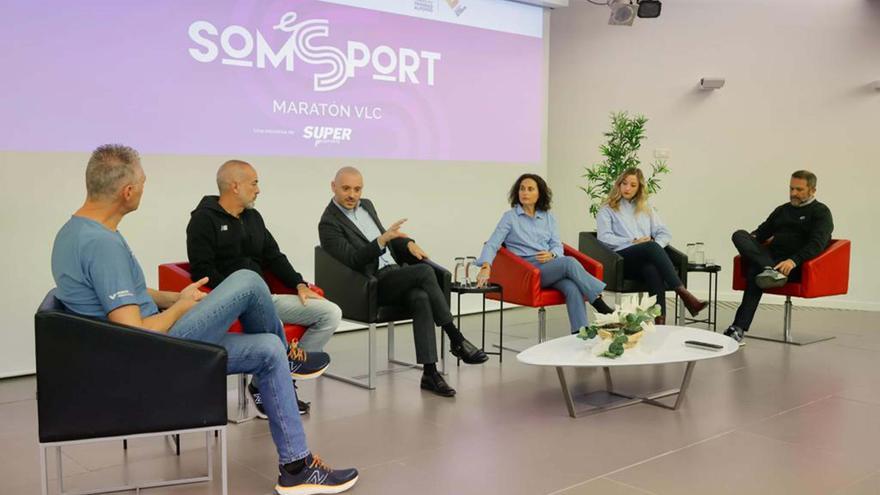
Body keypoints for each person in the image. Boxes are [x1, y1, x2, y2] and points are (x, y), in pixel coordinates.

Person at [51, 145, 357, 495]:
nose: (144, 188)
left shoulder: (78, 231)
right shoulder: (100, 244)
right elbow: (131, 330)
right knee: (248, 280)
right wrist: (180, 309)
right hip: (152, 352)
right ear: (128, 191)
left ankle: (296, 467)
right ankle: (291, 358)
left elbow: (126, 293)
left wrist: (177, 298)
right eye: (143, 182)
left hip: (152, 339)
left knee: (268, 348)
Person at [186, 160, 343, 416]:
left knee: (330, 313)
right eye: (254, 183)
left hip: (266, 299)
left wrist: (299, 284)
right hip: (232, 304)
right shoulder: (203, 220)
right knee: (275, 330)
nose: (258, 190)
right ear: (235, 186)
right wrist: (237, 293)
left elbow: (274, 257)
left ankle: (271, 380)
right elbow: (203, 272)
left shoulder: (253, 217)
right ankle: (278, 387)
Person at [318, 166, 488, 398]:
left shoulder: (366, 206)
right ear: (333, 187)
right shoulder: (328, 223)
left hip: (395, 272)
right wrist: (381, 240)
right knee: (424, 273)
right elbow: (353, 260)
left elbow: (391, 242)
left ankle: (430, 373)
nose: (352, 195)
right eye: (346, 188)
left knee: (420, 296)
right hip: (372, 283)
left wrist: (408, 244)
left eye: (357, 189)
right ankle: (456, 338)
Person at [474, 173, 614, 334]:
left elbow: (557, 245)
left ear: (539, 193)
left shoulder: (549, 217)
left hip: (549, 267)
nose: (525, 193)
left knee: (572, 287)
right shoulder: (510, 217)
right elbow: (492, 243)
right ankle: (598, 302)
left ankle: (580, 334)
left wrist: (552, 255)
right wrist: (486, 265)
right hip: (526, 271)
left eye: (530, 189)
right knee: (569, 262)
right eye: (522, 189)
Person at [724, 170, 833, 344]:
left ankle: (738, 328)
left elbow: (818, 244)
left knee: (754, 271)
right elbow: (761, 232)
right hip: (771, 260)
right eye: (791, 188)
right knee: (739, 235)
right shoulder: (782, 210)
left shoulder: (820, 212)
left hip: (793, 265)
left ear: (812, 190)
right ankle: (768, 269)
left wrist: (793, 260)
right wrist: (750, 241)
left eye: (799, 189)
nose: (793, 193)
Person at [596, 168, 708, 324]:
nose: (627, 188)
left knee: (652, 268)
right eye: (624, 183)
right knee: (650, 246)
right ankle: (683, 293)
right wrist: (632, 241)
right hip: (620, 259)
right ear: (618, 185)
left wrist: (655, 245)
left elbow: (664, 233)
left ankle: (660, 321)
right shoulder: (608, 209)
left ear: (639, 188)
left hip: (644, 258)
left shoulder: (646, 208)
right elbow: (604, 237)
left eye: (633, 185)